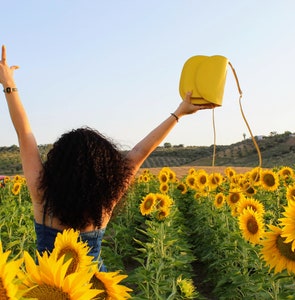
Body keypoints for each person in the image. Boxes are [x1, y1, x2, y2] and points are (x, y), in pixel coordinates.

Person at [0, 45, 213, 271]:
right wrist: (179, 112)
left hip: (45, 287)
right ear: (106, 171)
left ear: (57, 165)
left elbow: (24, 133)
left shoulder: (43, 197)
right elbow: (140, 152)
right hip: (95, 288)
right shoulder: (105, 202)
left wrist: (8, 84)